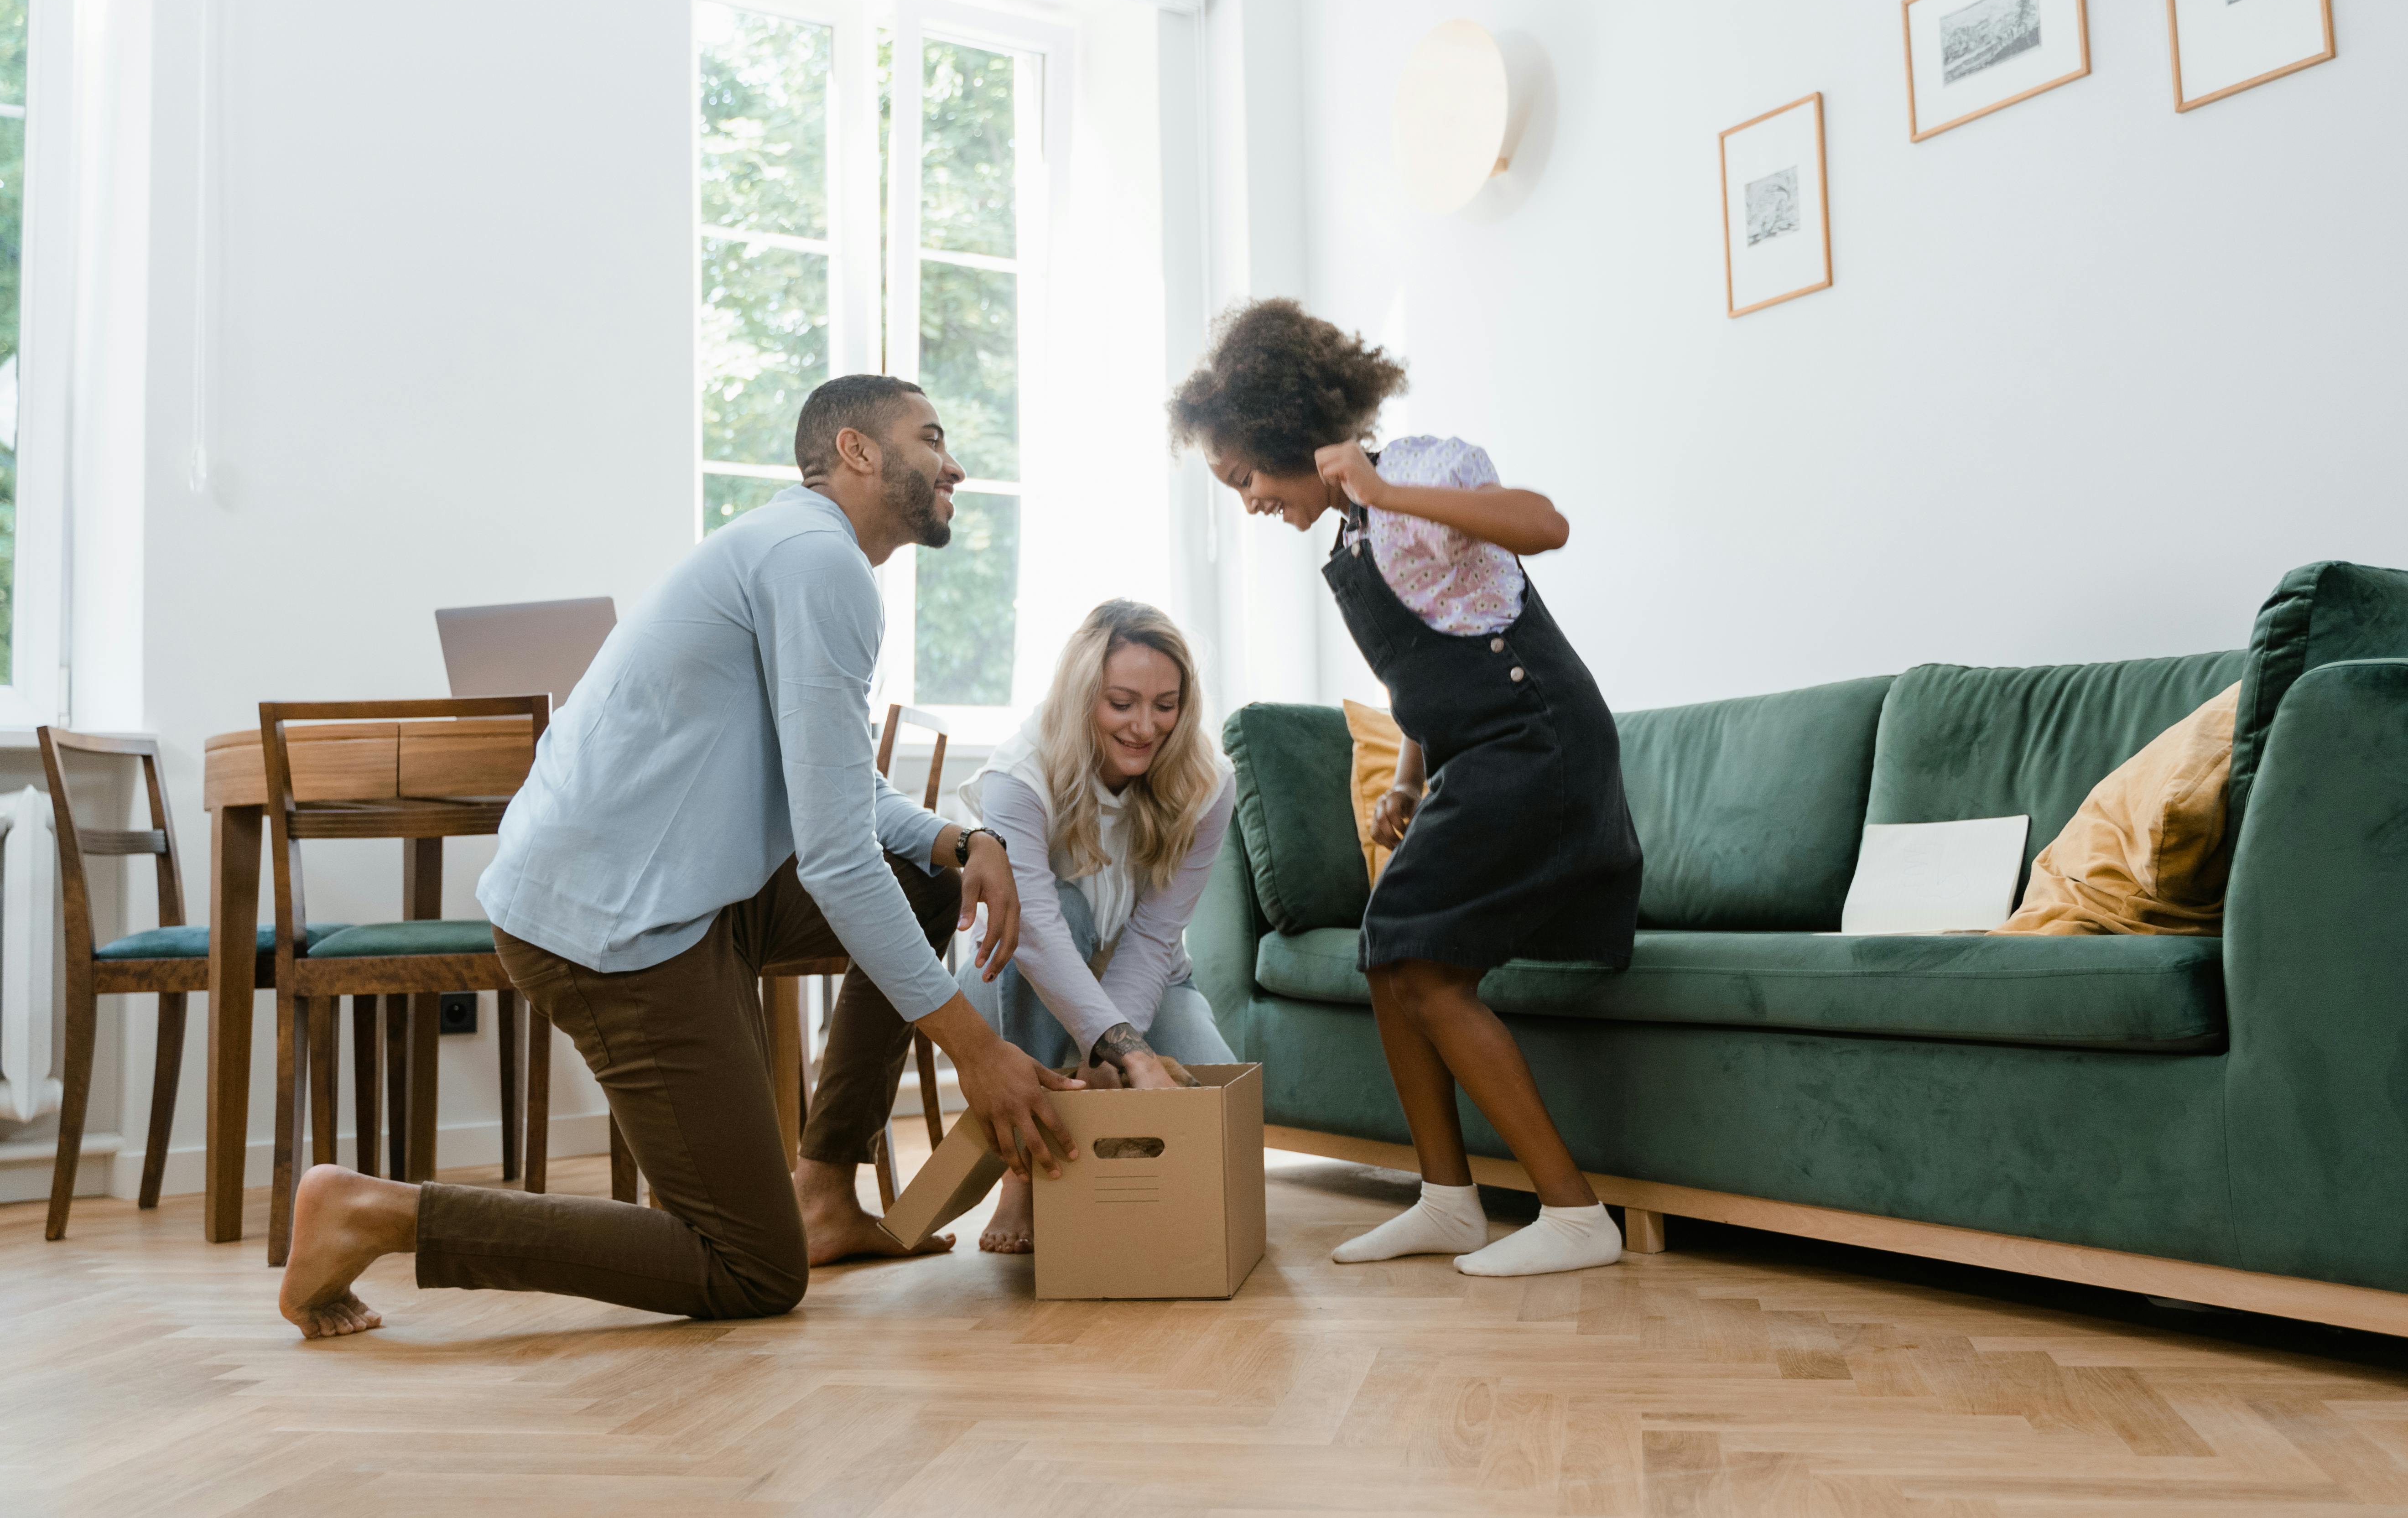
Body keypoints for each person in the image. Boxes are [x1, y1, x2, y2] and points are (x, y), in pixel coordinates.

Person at [276, 374, 1084, 1340]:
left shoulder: (798, 556)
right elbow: (832, 858)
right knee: (749, 1267)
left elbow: (836, 793)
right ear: (859, 452)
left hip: (685, 898)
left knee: (926, 883)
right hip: (611, 927)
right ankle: (379, 1212)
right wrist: (978, 1050)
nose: (954, 463)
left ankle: (825, 1191)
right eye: (931, 437)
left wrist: (965, 840)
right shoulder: (815, 563)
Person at [1169, 298, 1643, 1278]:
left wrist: (1386, 489)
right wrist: (1414, 775)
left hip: (1543, 740)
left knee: (1424, 965)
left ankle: (1574, 1213)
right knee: (1391, 954)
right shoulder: (1348, 538)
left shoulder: (1417, 471)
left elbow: (1541, 523)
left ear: (1284, 433)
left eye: (1246, 474)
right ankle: (1447, 1200)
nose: (1251, 499)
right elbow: (1424, 668)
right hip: (1483, 754)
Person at [957, 599, 1239, 1253]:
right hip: (1014, 974)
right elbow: (1036, 936)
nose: (1146, 726)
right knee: (1062, 910)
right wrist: (1129, 1054)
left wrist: (1112, 1059)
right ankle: (1022, 1171)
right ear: (1087, 694)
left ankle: (1091, 1152)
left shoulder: (1208, 781)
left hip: (1142, 979)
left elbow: (1154, 937)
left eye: (1165, 705)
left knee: (1219, 1120)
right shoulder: (1018, 775)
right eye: (1122, 702)